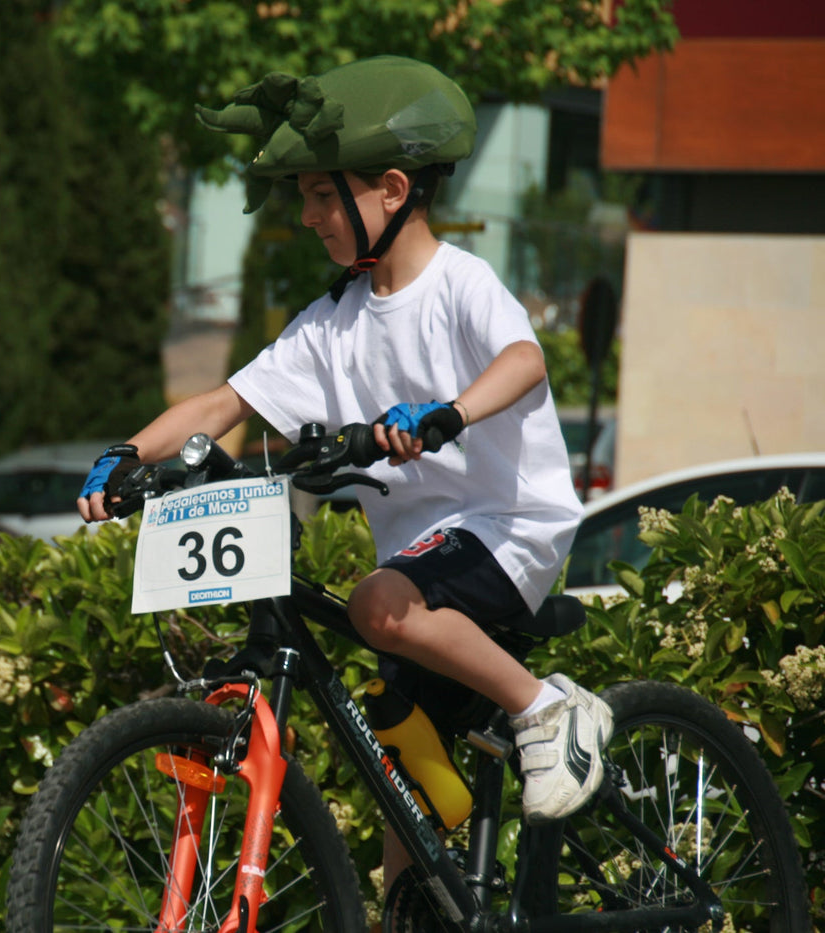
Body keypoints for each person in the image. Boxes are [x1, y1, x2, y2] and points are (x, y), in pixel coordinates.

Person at [77, 55, 611, 882]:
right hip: (421, 570)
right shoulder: (332, 321)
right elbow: (226, 403)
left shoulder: (460, 284)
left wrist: (448, 414)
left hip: (504, 531)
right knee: (407, 814)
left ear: (392, 191)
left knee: (375, 602)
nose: (308, 216)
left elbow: (524, 362)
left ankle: (549, 707)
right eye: (305, 198)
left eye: (324, 196)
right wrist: (125, 455)